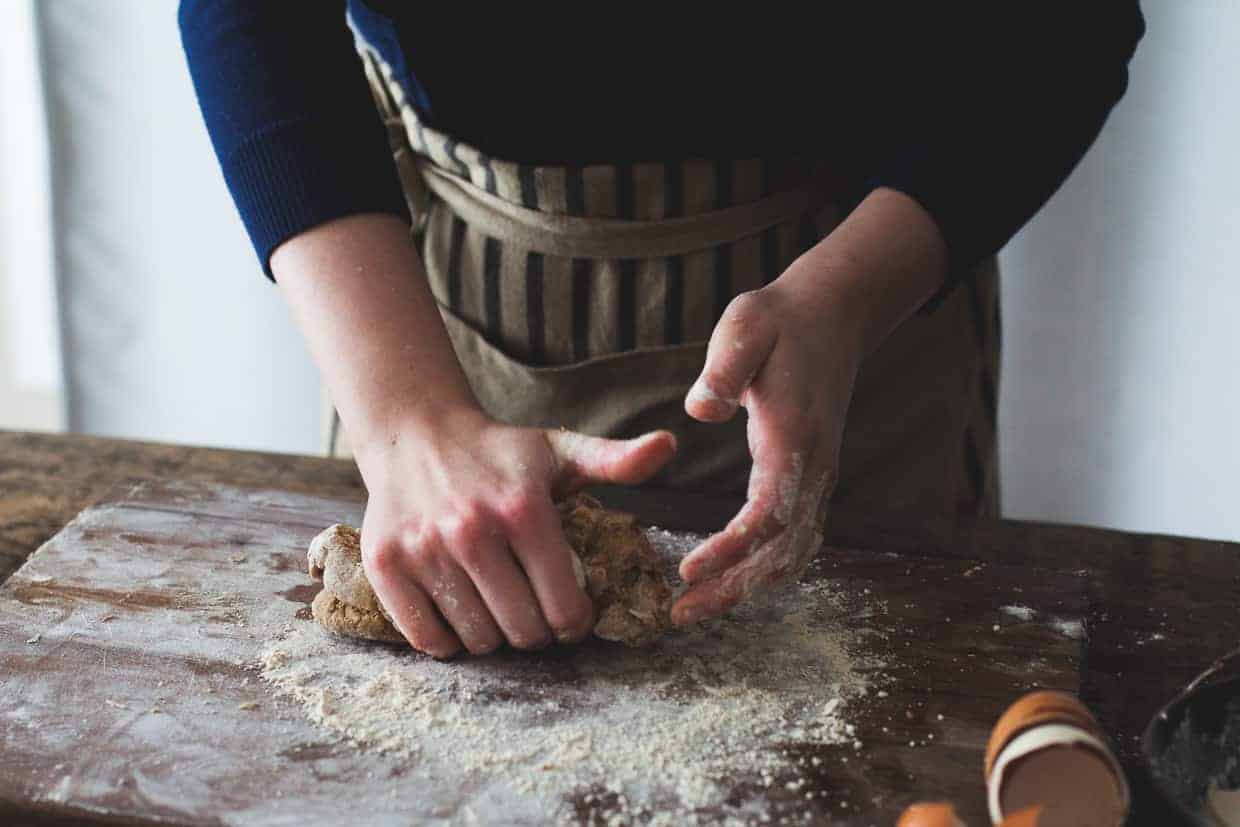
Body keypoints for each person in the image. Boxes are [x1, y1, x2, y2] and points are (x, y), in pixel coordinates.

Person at [180, 3, 1144, 657]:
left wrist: (848, 299)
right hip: (443, 325)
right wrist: (409, 420)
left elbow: (1066, 21)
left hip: (867, 283)